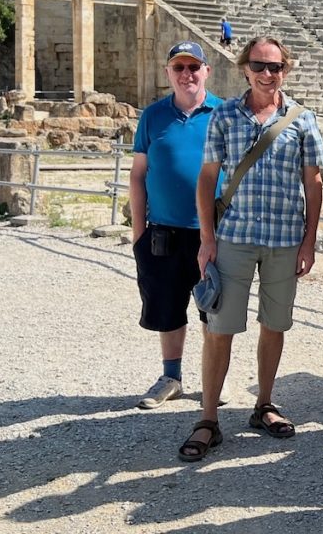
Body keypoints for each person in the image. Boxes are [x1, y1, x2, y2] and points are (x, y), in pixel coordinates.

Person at [180, 37, 323, 461]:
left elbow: (314, 182)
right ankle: (208, 419)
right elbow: (207, 178)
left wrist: (310, 240)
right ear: (245, 68)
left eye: (275, 67)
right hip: (235, 236)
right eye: (259, 65)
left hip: (284, 238)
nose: (267, 74)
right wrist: (207, 238)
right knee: (219, 329)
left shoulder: (302, 119)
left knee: (274, 325)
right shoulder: (225, 115)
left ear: (285, 70)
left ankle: (264, 404)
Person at [130, 42, 223, 410]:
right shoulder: (152, 117)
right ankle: (171, 377)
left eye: (193, 67)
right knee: (167, 307)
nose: (187, 74)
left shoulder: (224, 114)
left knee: (214, 308)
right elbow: (138, 175)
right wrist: (138, 232)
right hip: (163, 232)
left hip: (212, 232)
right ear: (168, 73)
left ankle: (214, 379)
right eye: (179, 67)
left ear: (207, 71)